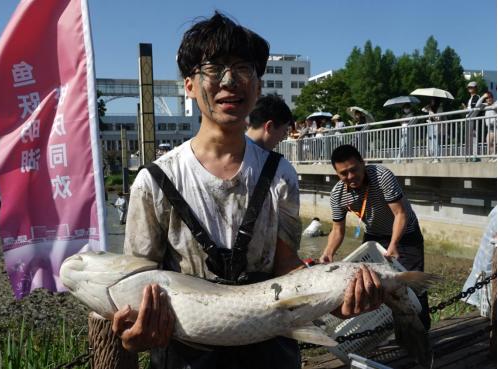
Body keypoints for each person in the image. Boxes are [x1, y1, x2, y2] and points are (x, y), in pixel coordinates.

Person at [112, 13, 383, 369]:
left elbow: (287, 266)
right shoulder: (155, 182)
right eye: (213, 68)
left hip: (269, 350)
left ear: (257, 85)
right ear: (189, 85)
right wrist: (132, 335)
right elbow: (138, 285)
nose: (228, 80)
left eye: (242, 68)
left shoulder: (279, 173)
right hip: (186, 355)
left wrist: (336, 299)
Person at [320, 145, 431, 331]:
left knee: (412, 284)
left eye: (353, 169)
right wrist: (328, 253)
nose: (350, 177)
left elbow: (400, 214)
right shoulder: (338, 194)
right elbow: (337, 230)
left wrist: (394, 244)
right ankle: (386, 329)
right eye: (343, 173)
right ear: (336, 173)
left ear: (362, 163)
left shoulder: (381, 176)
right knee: (372, 285)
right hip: (374, 235)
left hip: (405, 234)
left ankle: (422, 331)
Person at [476, 92, 497, 159]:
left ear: (492, 98)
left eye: (490, 97)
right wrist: (483, 96)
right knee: (489, 143)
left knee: (496, 143)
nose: (488, 99)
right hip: (489, 129)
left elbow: (495, 106)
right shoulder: (485, 105)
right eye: (487, 98)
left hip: (496, 128)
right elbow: (477, 105)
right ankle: (493, 157)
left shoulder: (496, 103)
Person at [421, 98, 443, 163]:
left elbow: (437, 118)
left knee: (435, 141)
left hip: (436, 125)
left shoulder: (439, 108)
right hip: (430, 125)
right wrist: (428, 106)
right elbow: (423, 109)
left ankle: (437, 157)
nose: (432, 102)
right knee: (430, 141)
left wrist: (431, 111)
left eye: (433, 101)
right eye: (431, 101)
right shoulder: (430, 107)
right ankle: (432, 157)